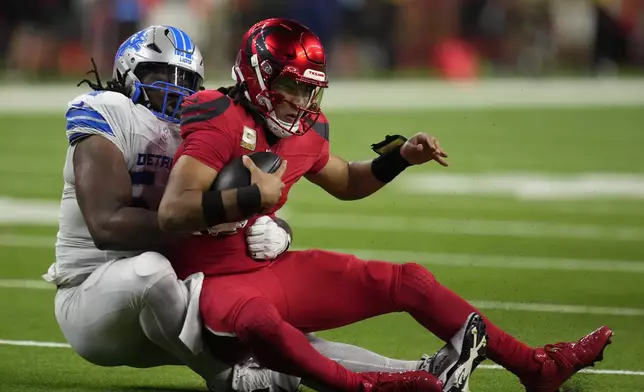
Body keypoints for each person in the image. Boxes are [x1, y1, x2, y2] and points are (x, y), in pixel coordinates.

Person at [158, 18, 614, 392]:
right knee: (259, 322)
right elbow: (173, 212)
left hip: (268, 273)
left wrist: (399, 158)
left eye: (308, 89)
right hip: (211, 281)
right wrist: (254, 197)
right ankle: (370, 387)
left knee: (409, 280)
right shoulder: (219, 116)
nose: (300, 102)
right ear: (256, 76)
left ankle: (536, 367)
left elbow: (348, 181)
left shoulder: (307, 132)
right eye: (289, 86)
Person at [43, 24, 482, 392]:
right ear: (127, 75)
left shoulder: (205, 123)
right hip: (97, 297)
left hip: (176, 302)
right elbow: (107, 226)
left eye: (184, 79)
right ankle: (228, 378)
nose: (172, 89)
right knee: (150, 271)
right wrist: (219, 218)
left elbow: (263, 200)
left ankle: (419, 375)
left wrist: (274, 229)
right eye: (159, 73)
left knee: (274, 332)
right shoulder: (109, 113)